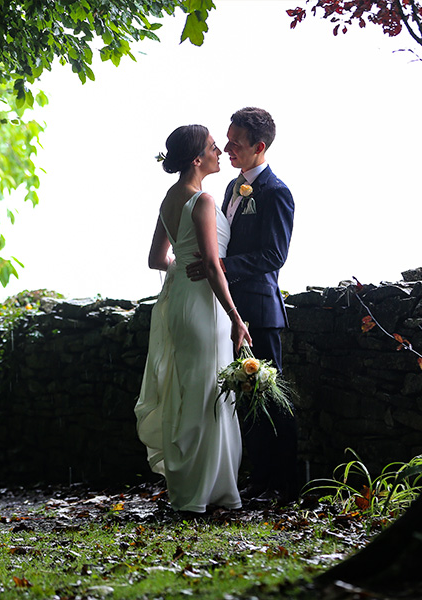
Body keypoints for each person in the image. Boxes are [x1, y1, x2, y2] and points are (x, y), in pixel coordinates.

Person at [134, 124, 250, 513]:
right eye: (215, 147)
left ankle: (196, 488)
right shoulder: (202, 200)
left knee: (189, 392)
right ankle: (200, 494)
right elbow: (215, 268)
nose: (221, 151)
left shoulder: (169, 197)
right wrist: (236, 318)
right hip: (203, 305)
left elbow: (156, 260)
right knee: (207, 396)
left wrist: (183, 267)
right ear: (198, 159)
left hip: (180, 298)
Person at [186, 107, 298, 502]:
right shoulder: (233, 188)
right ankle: (260, 478)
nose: (227, 146)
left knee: (270, 398)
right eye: (227, 139)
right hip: (230, 308)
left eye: (236, 142)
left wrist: (220, 266)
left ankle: (284, 483)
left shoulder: (277, 192)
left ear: (259, 146)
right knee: (242, 396)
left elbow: (273, 255)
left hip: (261, 309)